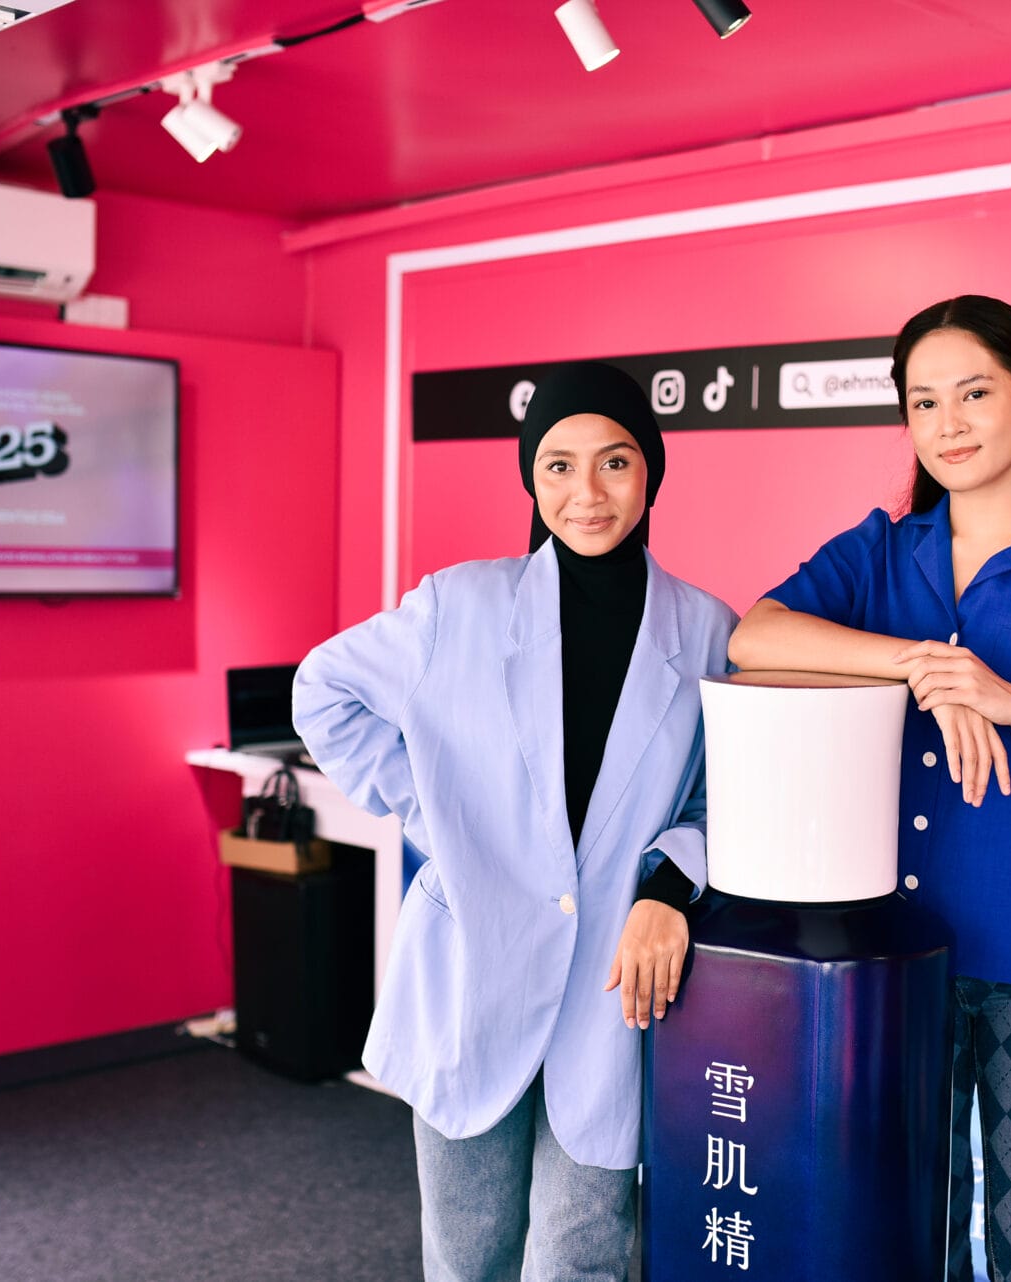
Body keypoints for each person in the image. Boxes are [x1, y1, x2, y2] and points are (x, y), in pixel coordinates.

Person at [727, 295, 1011, 1282]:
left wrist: (1008, 700)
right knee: (903, 1247)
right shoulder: (880, 555)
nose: (948, 424)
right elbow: (754, 637)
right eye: (924, 402)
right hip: (897, 962)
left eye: (974, 394)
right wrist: (921, 663)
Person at [293, 361, 735, 1282]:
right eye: (559, 466)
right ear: (532, 479)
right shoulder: (459, 603)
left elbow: (720, 792)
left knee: (583, 1248)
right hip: (472, 970)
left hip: (611, 987)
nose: (587, 493)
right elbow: (322, 690)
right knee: (470, 1253)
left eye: (615, 462)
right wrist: (433, 811)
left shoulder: (705, 630)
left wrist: (669, 887)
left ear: (651, 473)